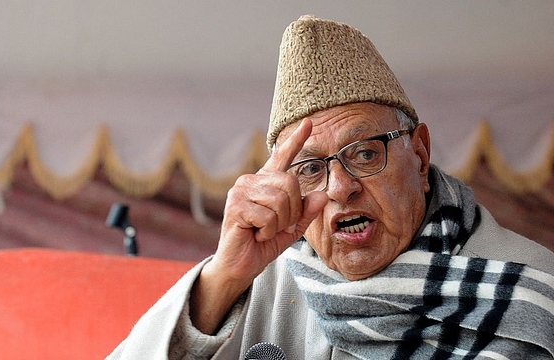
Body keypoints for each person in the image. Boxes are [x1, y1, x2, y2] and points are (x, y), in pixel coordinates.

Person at [106, 15, 554, 359]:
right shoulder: (256, 281)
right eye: (309, 169)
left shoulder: (531, 286)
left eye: (364, 154)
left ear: (419, 156)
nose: (340, 188)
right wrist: (222, 276)